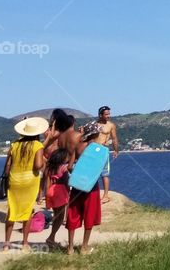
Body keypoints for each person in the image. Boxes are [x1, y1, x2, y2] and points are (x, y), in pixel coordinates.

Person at [3, 117, 47, 253]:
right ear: (37, 133)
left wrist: (7, 179)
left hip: (14, 180)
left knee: (12, 211)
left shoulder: (14, 145)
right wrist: (45, 162)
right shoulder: (37, 146)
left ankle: (6, 244)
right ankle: (25, 244)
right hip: (29, 181)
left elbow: (8, 165)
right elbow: (38, 165)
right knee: (27, 211)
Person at [66, 123, 103, 255]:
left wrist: (79, 173)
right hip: (91, 187)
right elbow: (99, 170)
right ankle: (84, 247)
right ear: (95, 134)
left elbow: (70, 167)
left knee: (73, 214)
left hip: (77, 185)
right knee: (89, 214)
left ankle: (70, 248)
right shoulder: (99, 149)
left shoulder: (78, 146)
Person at [44, 148, 71, 250]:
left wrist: (46, 196)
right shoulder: (64, 168)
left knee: (56, 215)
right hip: (60, 192)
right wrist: (69, 192)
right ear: (62, 158)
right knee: (60, 217)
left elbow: (47, 183)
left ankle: (52, 238)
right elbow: (66, 181)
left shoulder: (49, 168)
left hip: (51, 191)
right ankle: (51, 238)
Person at [94, 106, 119, 203]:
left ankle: (105, 195)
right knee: (93, 172)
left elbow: (114, 138)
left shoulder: (111, 125)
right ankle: (92, 194)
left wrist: (116, 150)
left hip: (103, 150)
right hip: (93, 151)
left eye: (109, 114)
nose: (109, 116)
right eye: (106, 114)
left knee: (104, 174)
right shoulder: (94, 124)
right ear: (100, 115)